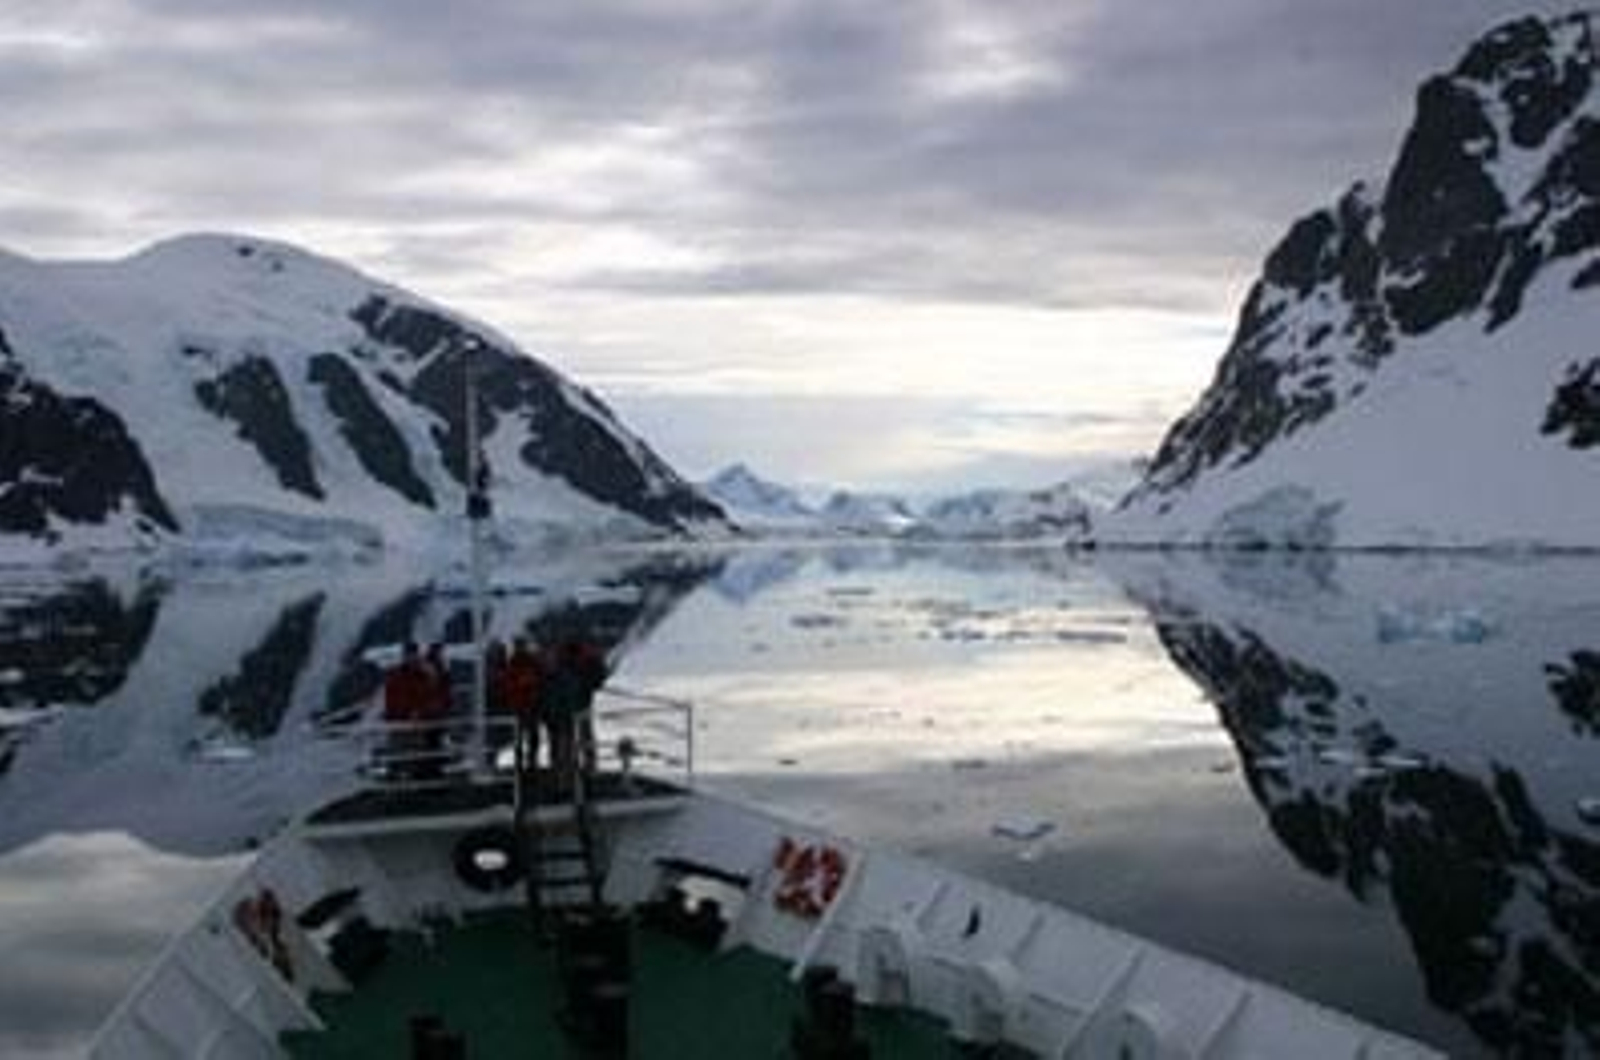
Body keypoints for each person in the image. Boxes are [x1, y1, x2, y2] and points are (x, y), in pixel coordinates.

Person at [542, 633, 609, 793]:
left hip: (567, 709)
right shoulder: (583, 661)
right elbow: (598, 679)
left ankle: (566, 778)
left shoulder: (567, 664)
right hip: (574, 707)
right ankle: (581, 772)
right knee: (576, 741)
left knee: (566, 744)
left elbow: (551, 686)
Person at [382, 642, 429, 779]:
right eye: (409, 655)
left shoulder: (422, 675)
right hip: (400, 722)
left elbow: (426, 696)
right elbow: (391, 698)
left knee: (416, 755)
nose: (411, 657)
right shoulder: (397, 676)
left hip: (417, 723)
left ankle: (414, 781)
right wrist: (394, 715)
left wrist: (420, 712)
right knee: (399, 754)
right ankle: (396, 779)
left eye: (413, 654)